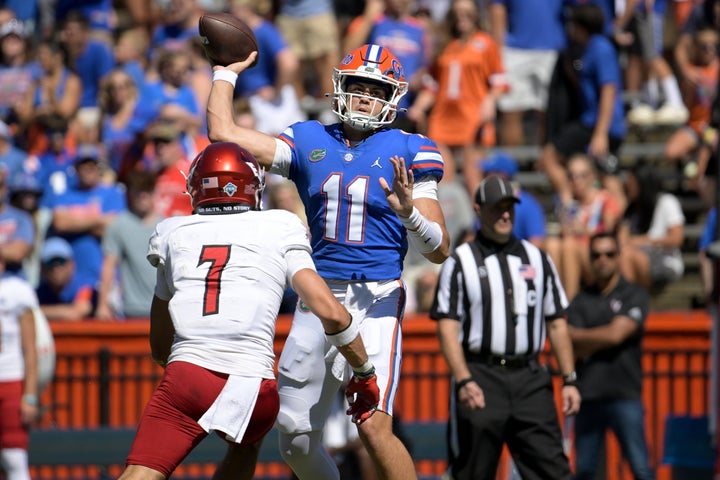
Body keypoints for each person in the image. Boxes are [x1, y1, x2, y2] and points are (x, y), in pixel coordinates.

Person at [206, 44, 450, 480]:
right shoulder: (308, 138)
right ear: (339, 88)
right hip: (319, 298)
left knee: (374, 425)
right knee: (294, 438)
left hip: (376, 296)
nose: (363, 97)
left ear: (391, 97)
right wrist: (225, 72)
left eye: (375, 89)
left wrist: (409, 212)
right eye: (356, 86)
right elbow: (222, 131)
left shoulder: (412, 148)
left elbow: (439, 249)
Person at [117, 142, 380, 480]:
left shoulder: (173, 232)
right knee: (245, 444)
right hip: (256, 387)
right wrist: (364, 371)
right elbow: (330, 311)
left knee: (141, 474)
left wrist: (193, 382)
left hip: (189, 372)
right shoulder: (279, 226)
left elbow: (159, 347)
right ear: (253, 186)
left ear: (196, 188)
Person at [429, 175, 581, 480]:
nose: (506, 214)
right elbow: (447, 328)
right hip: (481, 376)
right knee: (472, 471)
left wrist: (569, 378)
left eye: (509, 207)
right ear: (478, 209)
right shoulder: (461, 261)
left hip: (530, 379)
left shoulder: (537, 258)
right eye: (497, 207)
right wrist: (464, 380)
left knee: (555, 471)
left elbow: (557, 324)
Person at [567, 232, 655, 480]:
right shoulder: (581, 299)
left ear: (618, 257)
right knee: (584, 470)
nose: (602, 260)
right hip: (589, 395)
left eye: (609, 254)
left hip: (625, 394)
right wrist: (608, 333)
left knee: (640, 468)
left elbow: (617, 335)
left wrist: (584, 339)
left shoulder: (634, 293)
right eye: (596, 255)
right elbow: (568, 341)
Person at [96, 171, 162, 320]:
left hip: (164, 307)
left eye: (147, 190)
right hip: (132, 309)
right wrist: (102, 305)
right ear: (130, 193)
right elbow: (108, 265)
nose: (143, 195)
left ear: (154, 192)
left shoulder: (165, 226)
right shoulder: (118, 225)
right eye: (138, 190)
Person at [0, 256, 40, 480]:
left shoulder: (17, 291)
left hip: (10, 380)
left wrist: (30, 396)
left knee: (14, 456)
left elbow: (30, 349)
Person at [618, 164, 686, 290]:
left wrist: (644, 241)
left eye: (631, 183)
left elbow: (677, 239)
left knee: (627, 255)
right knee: (624, 254)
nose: (626, 186)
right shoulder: (632, 210)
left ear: (642, 183)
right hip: (636, 261)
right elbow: (623, 240)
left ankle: (629, 300)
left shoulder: (667, 202)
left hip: (664, 263)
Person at [36, 236, 96, 321]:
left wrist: (35, 311)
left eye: (61, 261)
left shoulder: (85, 286)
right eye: (50, 263)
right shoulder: (40, 292)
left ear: (71, 264)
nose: (56, 268)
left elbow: (77, 312)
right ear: (42, 268)